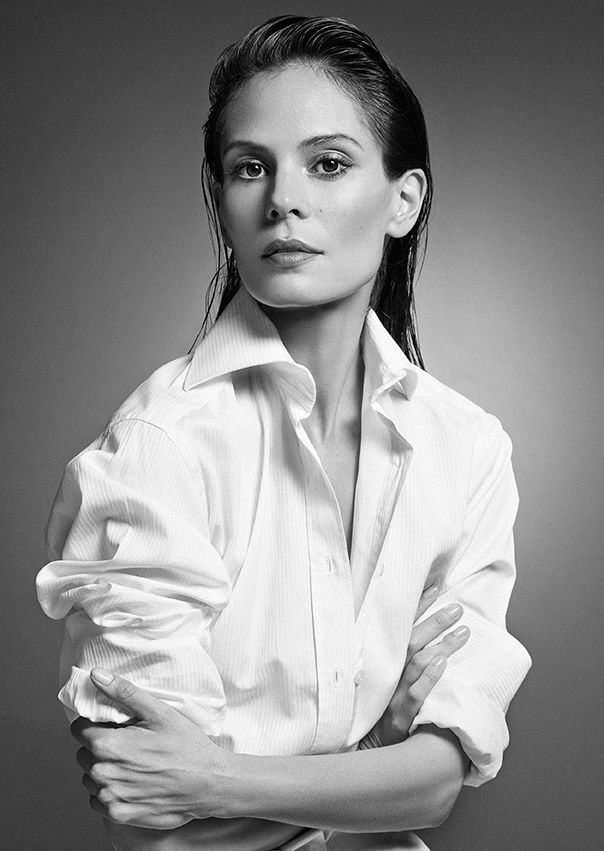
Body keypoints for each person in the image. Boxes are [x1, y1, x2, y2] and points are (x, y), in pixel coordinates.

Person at [36, 15, 531, 851]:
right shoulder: (160, 446)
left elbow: (440, 784)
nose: (283, 198)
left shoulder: (468, 448)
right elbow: (154, 795)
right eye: (248, 167)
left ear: (403, 200)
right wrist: (377, 758)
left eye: (328, 162)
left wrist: (219, 771)